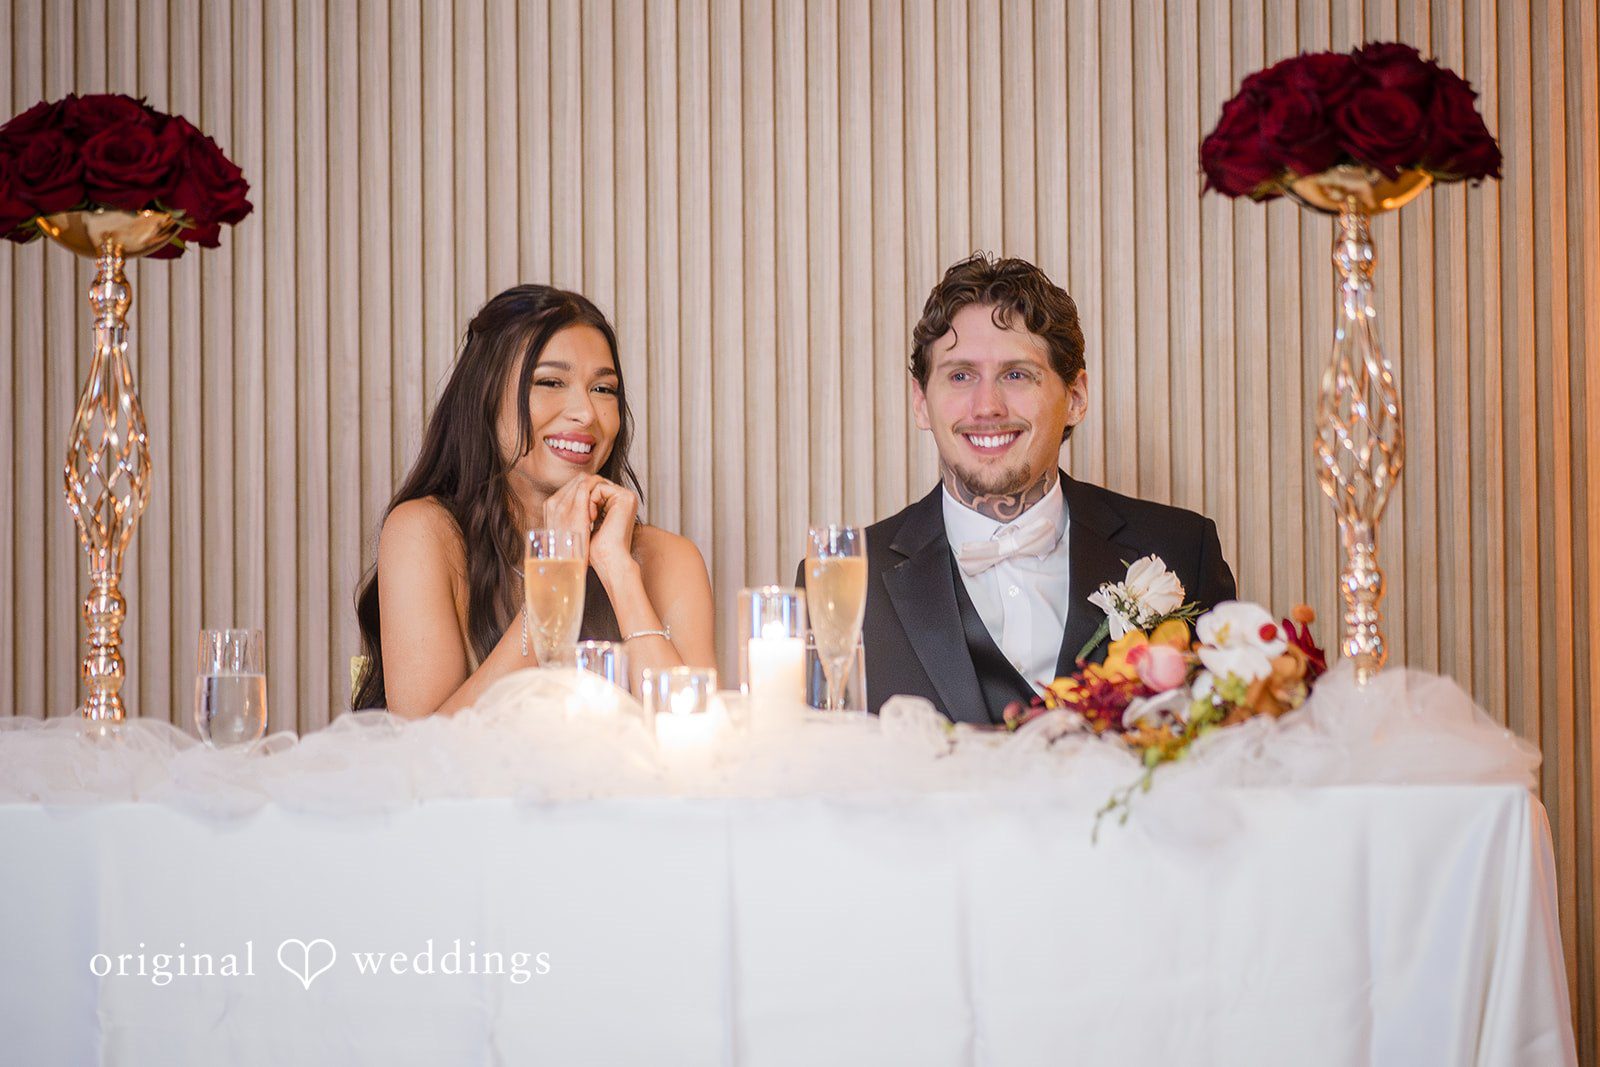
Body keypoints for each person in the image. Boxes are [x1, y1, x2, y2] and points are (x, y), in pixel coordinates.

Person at [855, 253, 1236, 724]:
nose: (987, 406)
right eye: (960, 375)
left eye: (1017, 374)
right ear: (920, 402)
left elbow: (1226, 756)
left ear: (1075, 397)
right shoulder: (846, 581)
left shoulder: (1181, 549)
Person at [352, 285, 714, 717]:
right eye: (550, 382)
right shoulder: (424, 532)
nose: (585, 412)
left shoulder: (667, 557)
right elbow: (425, 747)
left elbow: (699, 740)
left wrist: (619, 572)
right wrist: (555, 583)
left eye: (603, 389)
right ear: (485, 397)